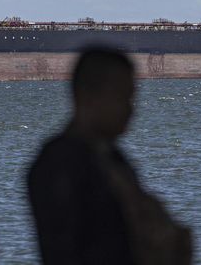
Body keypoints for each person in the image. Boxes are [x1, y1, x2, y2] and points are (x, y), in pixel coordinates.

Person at [28, 47, 192, 265]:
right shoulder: (60, 163)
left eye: (131, 98)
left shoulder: (111, 156)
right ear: (87, 96)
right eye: (122, 97)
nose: (130, 109)